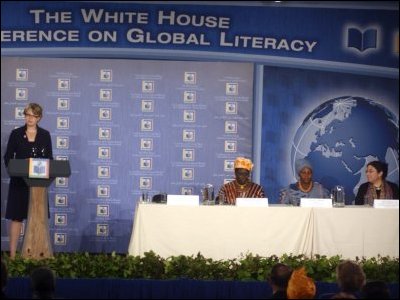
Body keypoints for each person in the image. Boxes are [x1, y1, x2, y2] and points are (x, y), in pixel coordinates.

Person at [3, 103, 53, 260]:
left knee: (38, 217)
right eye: (27, 114)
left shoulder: (45, 135)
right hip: (19, 182)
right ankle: (12, 256)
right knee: (17, 217)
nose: (30, 118)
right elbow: (8, 157)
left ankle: (38, 253)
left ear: (39, 118)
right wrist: (16, 171)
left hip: (38, 185)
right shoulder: (16, 134)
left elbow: (50, 159)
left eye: (33, 115)